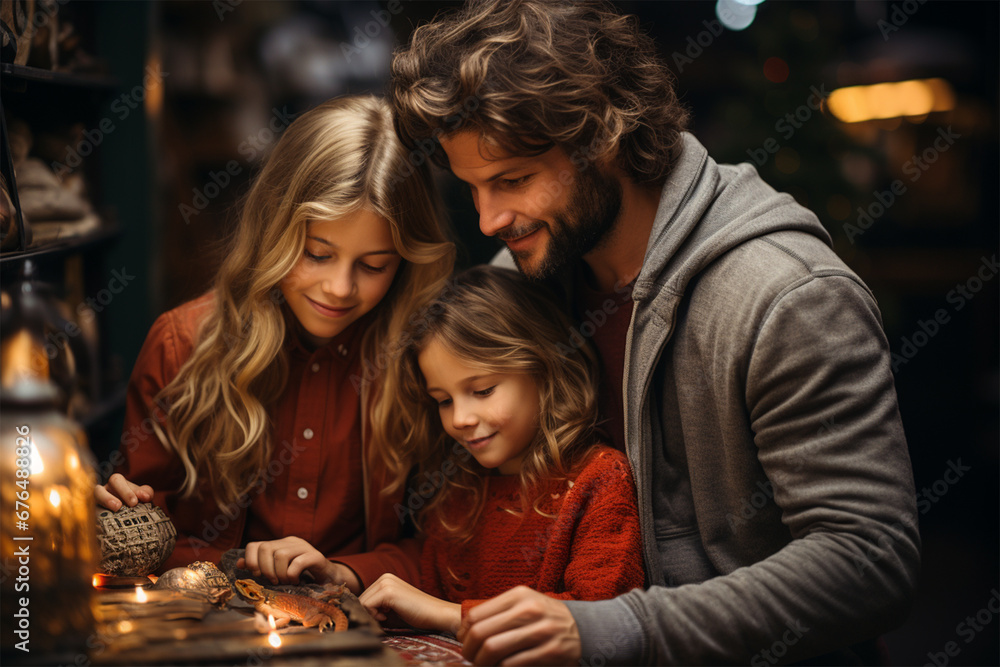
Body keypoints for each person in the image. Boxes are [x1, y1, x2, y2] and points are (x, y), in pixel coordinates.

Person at [389, 1, 921, 664]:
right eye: (473, 189)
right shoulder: (526, 280)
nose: (490, 219)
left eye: (513, 180)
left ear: (602, 140)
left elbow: (870, 562)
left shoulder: (787, 296)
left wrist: (612, 627)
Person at [94, 95, 455, 593]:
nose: (340, 288)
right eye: (317, 253)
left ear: (408, 262)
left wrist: (350, 571)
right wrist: (112, 523)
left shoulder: (429, 362)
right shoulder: (181, 346)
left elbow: (451, 544)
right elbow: (142, 537)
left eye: (374, 265)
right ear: (273, 230)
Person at [357, 265, 644, 638]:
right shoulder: (459, 490)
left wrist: (452, 615)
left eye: (482, 390)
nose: (459, 418)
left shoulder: (600, 481)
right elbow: (421, 597)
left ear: (545, 369)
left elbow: (603, 622)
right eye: (443, 400)